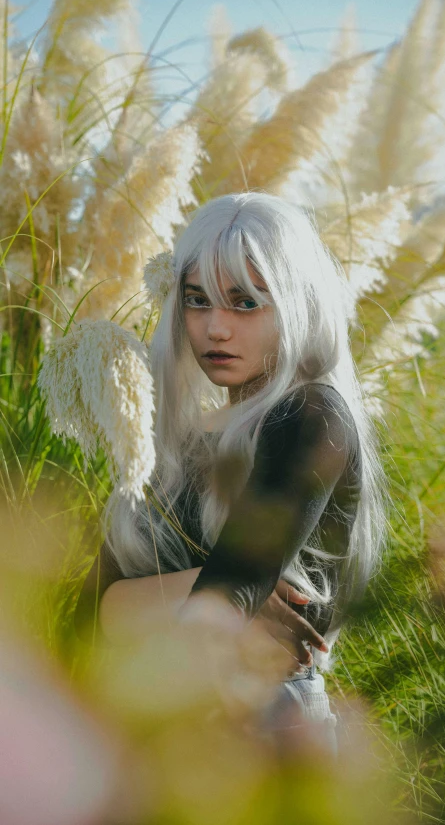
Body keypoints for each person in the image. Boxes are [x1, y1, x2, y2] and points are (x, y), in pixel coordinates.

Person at [75, 191, 387, 749]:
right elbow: (93, 614)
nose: (215, 328)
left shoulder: (312, 416)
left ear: (298, 300)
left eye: (245, 303)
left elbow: (223, 597)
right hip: (155, 721)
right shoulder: (178, 437)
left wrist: (156, 601)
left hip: (263, 723)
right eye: (198, 300)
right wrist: (201, 585)